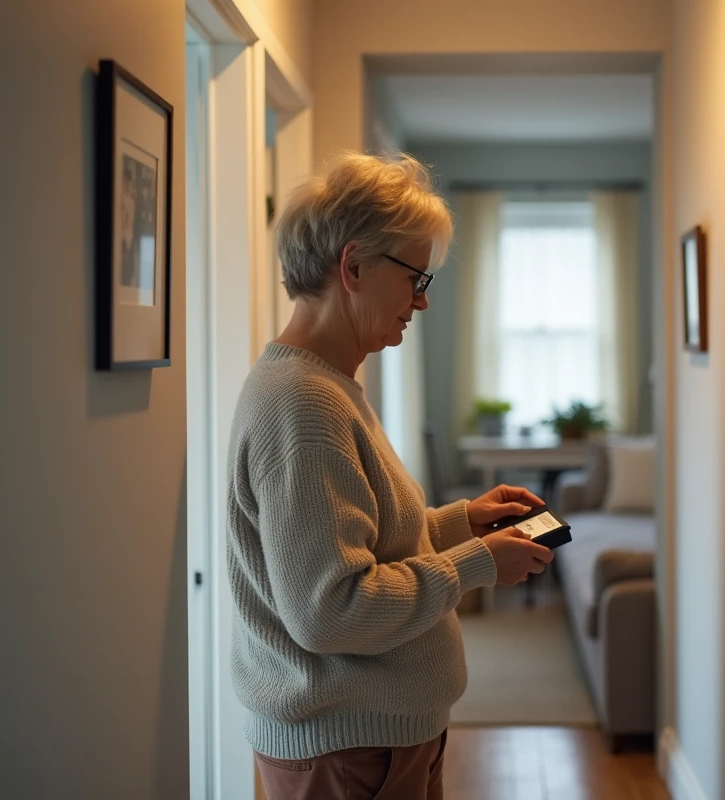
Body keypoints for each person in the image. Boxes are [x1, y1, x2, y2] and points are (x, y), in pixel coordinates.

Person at [226, 151, 555, 800]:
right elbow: (331, 610)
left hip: (369, 743)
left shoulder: (326, 387)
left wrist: (462, 524)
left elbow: (360, 546)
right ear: (352, 267)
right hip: (348, 754)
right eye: (416, 278)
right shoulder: (305, 403)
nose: (421, 302)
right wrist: (477, 564)